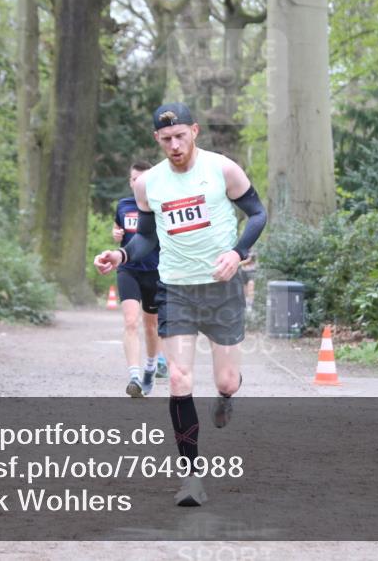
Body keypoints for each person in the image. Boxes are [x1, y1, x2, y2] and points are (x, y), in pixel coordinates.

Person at [94, 102, 267, 507]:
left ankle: (227, 396)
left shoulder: (222, 169)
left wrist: (238, 252)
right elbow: (147, 239)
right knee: (178, 379)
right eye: (166, 139)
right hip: (175, 288)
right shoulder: (148, 184)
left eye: (180, 136)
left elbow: (257, 214)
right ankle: (191, 477)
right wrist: (121, 256)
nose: (174, 145)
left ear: (195, 131)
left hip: (221, 287)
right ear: (157, 139)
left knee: (225, 380)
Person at [112, 161, 166, 398]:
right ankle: (134, 376)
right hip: (128, 269)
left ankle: (151, 367)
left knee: (151, 325)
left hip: (154, 271)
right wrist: (116, 234)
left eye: (142, 179)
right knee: (131, 321)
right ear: (130, 181)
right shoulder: (123, 205)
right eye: (134, 179)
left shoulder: (160, 205)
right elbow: (118, 229)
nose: (138, 183)